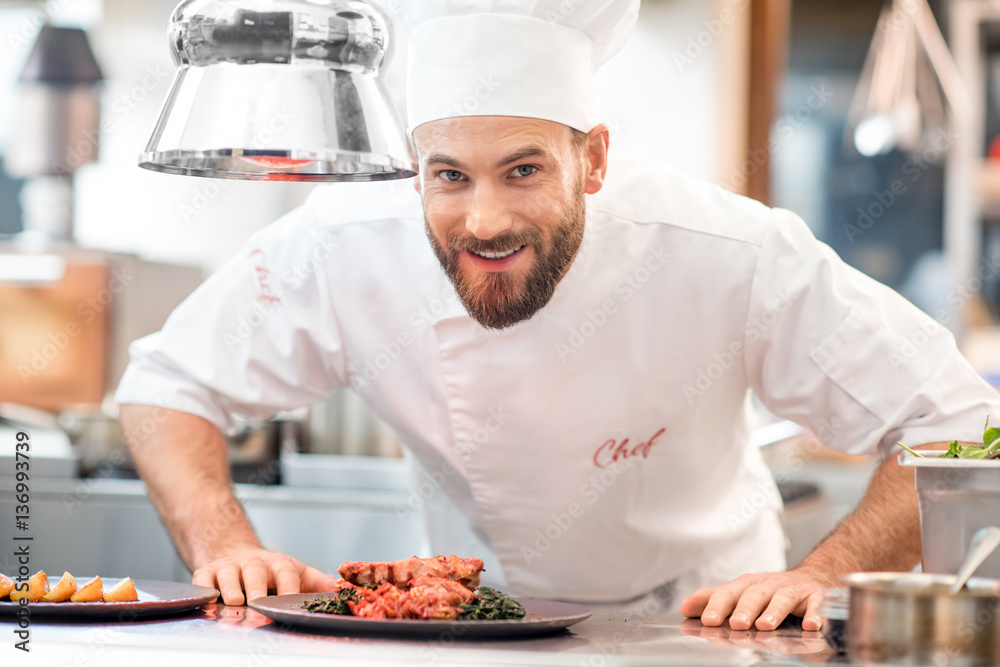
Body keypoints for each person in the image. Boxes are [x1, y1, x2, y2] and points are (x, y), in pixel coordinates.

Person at [115, 0, 1000, 632]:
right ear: (413, 168)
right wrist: (225, 543)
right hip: (474, 629)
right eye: (449, 175)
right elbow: (165, 386)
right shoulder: (344, 245)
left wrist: (822, 576)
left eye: (524, 170)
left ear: (595, 159)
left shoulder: (728, 249)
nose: (485, 219)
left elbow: (961, 421)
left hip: (710, 630)